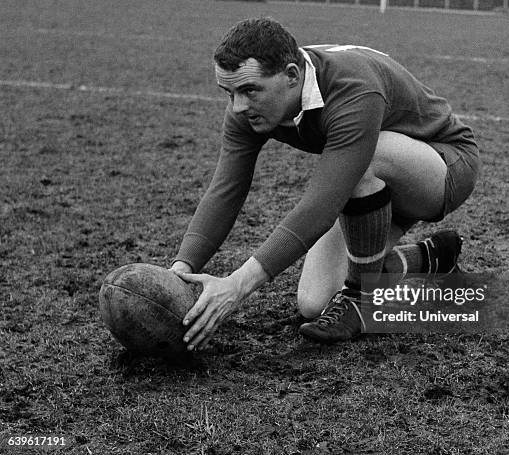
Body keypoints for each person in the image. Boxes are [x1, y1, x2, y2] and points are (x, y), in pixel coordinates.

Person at [170, 17, 481, 350]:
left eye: (249, 90)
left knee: (368, 157)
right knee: (314, 303)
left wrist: (237, 286)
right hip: (372, 187)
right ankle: (432, 257)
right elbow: (225, 190)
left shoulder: (353, 89)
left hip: (445, 164)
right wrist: (179, 271)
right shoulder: (247, 108)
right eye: (228, 93)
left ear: (291, 75)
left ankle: (363, 300)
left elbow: (322, 204)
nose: (238, 106)